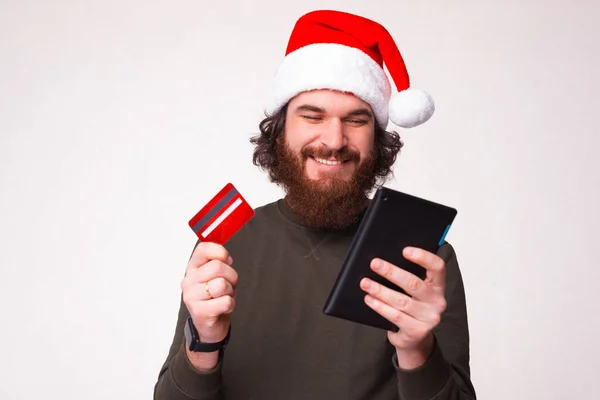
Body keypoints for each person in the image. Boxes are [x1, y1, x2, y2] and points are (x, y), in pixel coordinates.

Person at [154, 9, 476, 400]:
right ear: (279, 131)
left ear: (377, 140)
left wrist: (416, 350)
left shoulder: (424, 259)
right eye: (313, 116)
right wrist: (204, 342)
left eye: (356, 121)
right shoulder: (227, 244)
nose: (335, 140)